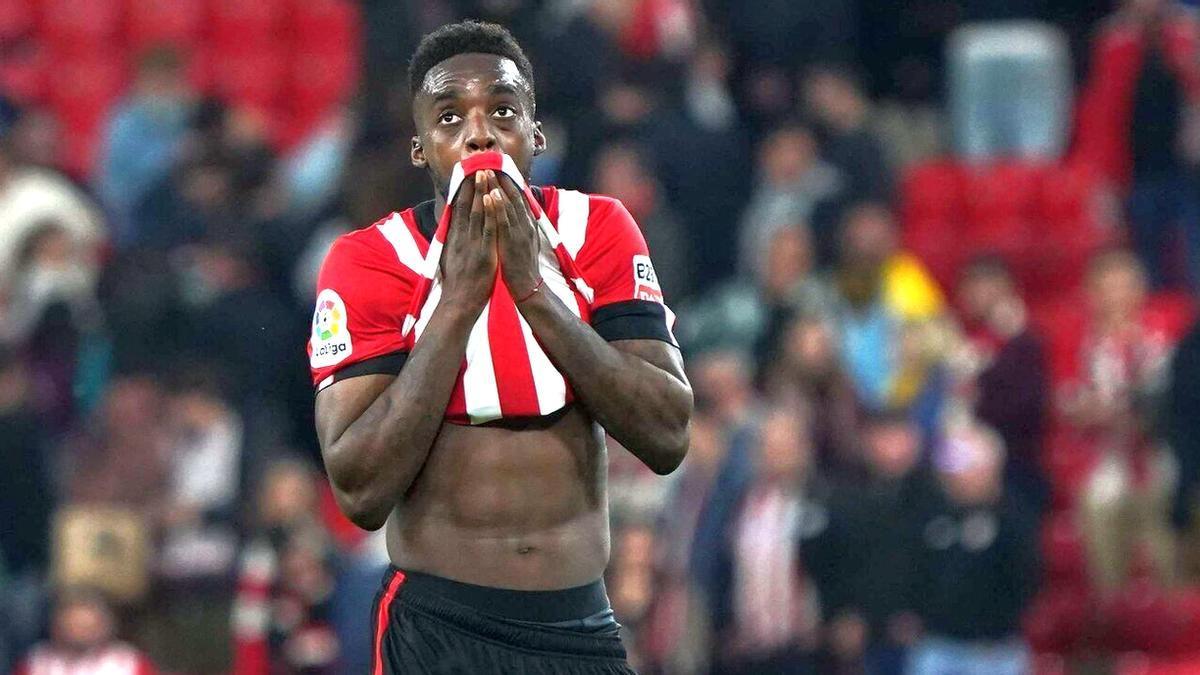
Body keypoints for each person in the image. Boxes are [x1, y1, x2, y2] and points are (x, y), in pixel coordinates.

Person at [309, 21, 692, 674]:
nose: (479, 134)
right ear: (420, 148)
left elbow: (666, 433)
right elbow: (361, 489)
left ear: (535, 135)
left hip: (578, 626)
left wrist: (536, 291)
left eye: (503, 111)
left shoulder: (598, 230)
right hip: (437, 631)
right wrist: (458, 301)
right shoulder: (368, 261)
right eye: (450, 117)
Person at [14, 587, 157, 675]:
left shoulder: (128, 662)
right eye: (72, 626)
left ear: (104, 627)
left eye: (87, 628)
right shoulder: (36, 662)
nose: (79, 635)